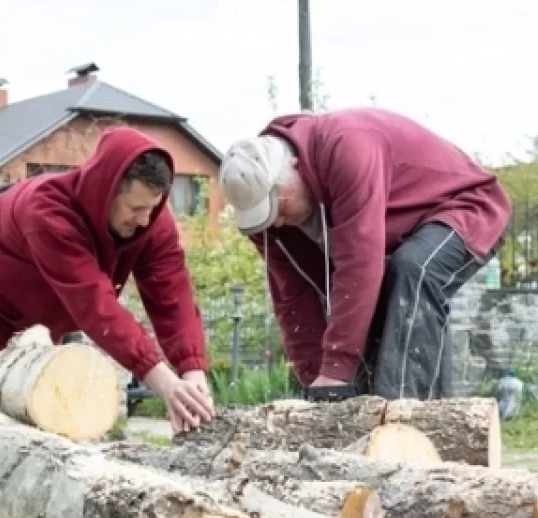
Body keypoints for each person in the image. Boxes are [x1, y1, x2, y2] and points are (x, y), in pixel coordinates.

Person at [218, 107, 512, 401]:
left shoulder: (347, 148)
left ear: (293, 166)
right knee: (375, 306)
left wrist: (336, 369)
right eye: (267, 217)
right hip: (399, 235)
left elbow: (360, 264)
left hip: (467, 204)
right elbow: (294, 298)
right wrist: (319, 387)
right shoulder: (267, 222)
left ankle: (402, 417)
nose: (278, 222)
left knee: (413, 270)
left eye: (280, 207)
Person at [0, 125, 215, 432]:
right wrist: (164, 383)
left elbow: (173, 295)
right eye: (135, 208)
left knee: (45, 405)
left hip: (47, 306)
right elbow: (95, 304)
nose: (144, 220)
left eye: (152, 208)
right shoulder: (48, 213)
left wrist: (192, 371)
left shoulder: (151, 221)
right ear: (106, 191)